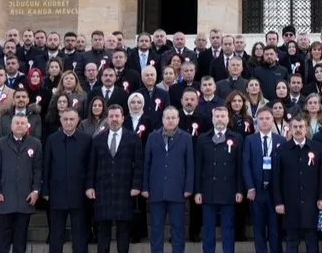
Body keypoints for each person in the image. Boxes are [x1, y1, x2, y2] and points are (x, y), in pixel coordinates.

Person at [90, 105, 143, 253]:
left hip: (124, 189)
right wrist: (90, 186)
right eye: (111, 116)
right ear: (107, 119)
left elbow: (139, 164)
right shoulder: (98, 139)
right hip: (103, 189)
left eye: (117, 116)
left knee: (123, 229)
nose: (114, 119)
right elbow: (92, 166)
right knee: (103, 229)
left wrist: (136, 185)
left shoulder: (133, 138)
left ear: (122, 118)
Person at [273, 117, 322, 253]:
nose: (298, 130)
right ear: (290, 129)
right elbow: (276, 177)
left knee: (312, 240)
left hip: (312, 202)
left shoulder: (317, 148)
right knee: (291, 240)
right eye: (295, 127)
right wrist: (279, 202)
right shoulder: (282, 149)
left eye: (301, 127)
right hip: (290, 203)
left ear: (306, 129)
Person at [143, 107, 194, 253]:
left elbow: (189, 164)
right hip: (156, 191)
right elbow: (147, 163)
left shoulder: (186, 138)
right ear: (163, 119)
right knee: (156, 229)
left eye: (173, 118)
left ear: (178, 120)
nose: (170, 120)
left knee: (178, 230)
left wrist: (188, 188)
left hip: (178, 191)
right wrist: (145, 187)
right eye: (167, 118)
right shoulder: (152, 137)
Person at [0, 114, 43, 253]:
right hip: (4, 197)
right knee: (4, 239)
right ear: (11, 126)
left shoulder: (35, 144)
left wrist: (36, 190)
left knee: (21, 238)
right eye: (17, 123)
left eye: (22, 123)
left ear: (27, 126)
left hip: (25, 197)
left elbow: (38, 169)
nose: (19, 125)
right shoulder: (0, 143)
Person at [194, 107, 243, 253]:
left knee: (228, 230)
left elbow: (240, 166)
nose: (220, 119)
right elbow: (198, 167)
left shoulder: (237, 138)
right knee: (208, 230)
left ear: (228, 119)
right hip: (208, 191)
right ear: (212, 119)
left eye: (223, 116)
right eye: (217, 116)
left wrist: (240, 190)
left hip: (229, 191)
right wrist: (197, 191)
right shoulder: (203, 138)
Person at [45, 109, 92, 253]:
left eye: (72, 119)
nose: (68, 122)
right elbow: (47, 166)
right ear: (61, 121)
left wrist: (89, 187)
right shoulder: (52, 139)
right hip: (57, 194)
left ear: (78, 120)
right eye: (65, 119)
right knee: (56, 235)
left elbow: (90, 166)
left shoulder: (86, 140)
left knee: (79, 235)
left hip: (79, 194)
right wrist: (45, 190)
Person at [243, 108, 285, 253]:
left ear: (272, 120)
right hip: (257, 191)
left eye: (268, 118)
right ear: (257, 121)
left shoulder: (281, 140)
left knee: (275, 230)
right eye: (261, 119)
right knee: (258, 229)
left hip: (275, 192)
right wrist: (250, 187)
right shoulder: (250, 140)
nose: (265, 121)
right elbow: (245, 164)